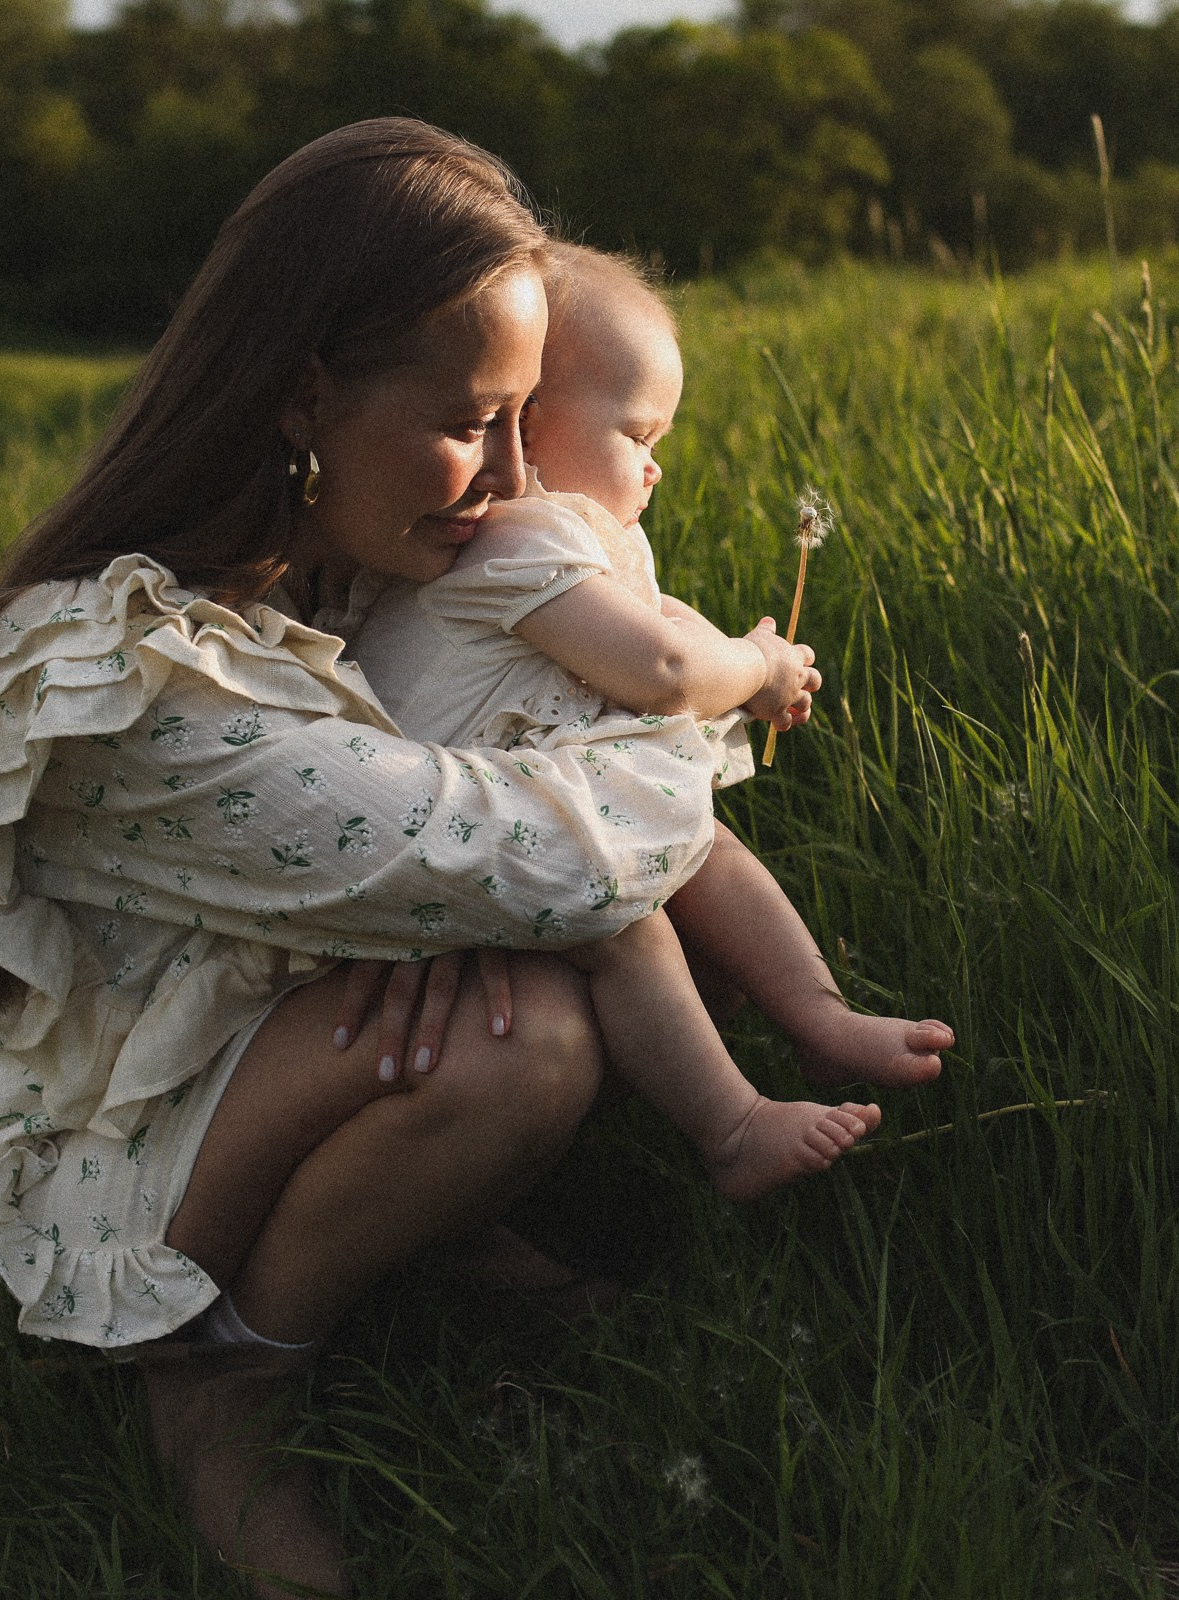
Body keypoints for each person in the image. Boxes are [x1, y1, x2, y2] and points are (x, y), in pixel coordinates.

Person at [0, 121, 783, 1597]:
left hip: (303, 1023)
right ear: (306, 392)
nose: (510, 478)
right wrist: (706, 681)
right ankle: (214, 1386)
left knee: (523, 1006)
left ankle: (428, 1237)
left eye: (526, 421)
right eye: (468, 420)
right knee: (532, 1043)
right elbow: (539, 858)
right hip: (140, 1127)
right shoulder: (129, 674)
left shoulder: (367, 568)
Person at [344, 243, 952, 1201]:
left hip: (514, 805)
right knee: (626, 911)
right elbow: (661, 668)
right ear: (530, 430)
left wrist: (751, 669)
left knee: (699, 841)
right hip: (451, 832)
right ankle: (732, 1126)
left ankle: (819, 1018)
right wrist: (752, 665)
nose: (656, 467)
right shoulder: (519, 536)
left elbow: (661, 629)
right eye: (638, 434)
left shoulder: (570, 538)